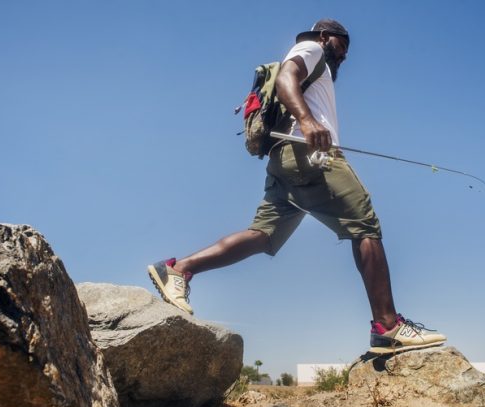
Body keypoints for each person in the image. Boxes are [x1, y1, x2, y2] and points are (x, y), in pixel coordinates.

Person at [148, 19, 446, 354]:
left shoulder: (319, 65)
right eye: (342, 45)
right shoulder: (312, 48)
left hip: (284, 162)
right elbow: (286, 78)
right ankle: (387, 326)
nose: (345, 55)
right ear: (325, 36)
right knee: (365, 225)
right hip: (311, 155)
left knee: (263, 235)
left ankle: (178, 269)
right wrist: (307, 121)